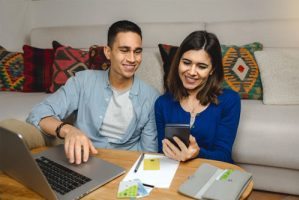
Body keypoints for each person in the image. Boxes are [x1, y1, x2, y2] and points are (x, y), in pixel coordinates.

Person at [27, 20, 159, 165]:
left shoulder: (151, 97)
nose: (132, 59)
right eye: (124, 50)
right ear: (108, 52)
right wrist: (69, 131)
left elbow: (149, 153)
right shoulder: (83, 81)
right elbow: (38, 113)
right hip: (83, 162)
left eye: (137, 51)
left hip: (126, 166)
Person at [155, 31, 241, 163]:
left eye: (201, 66)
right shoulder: (162, 103)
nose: (192, 72)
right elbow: (162, 151)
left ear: (212, 69)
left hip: (213, 173)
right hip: (174, 173)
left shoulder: (230, 100)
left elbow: (224, 156)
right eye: (186, 62)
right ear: (178, 62)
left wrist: (198, 153)